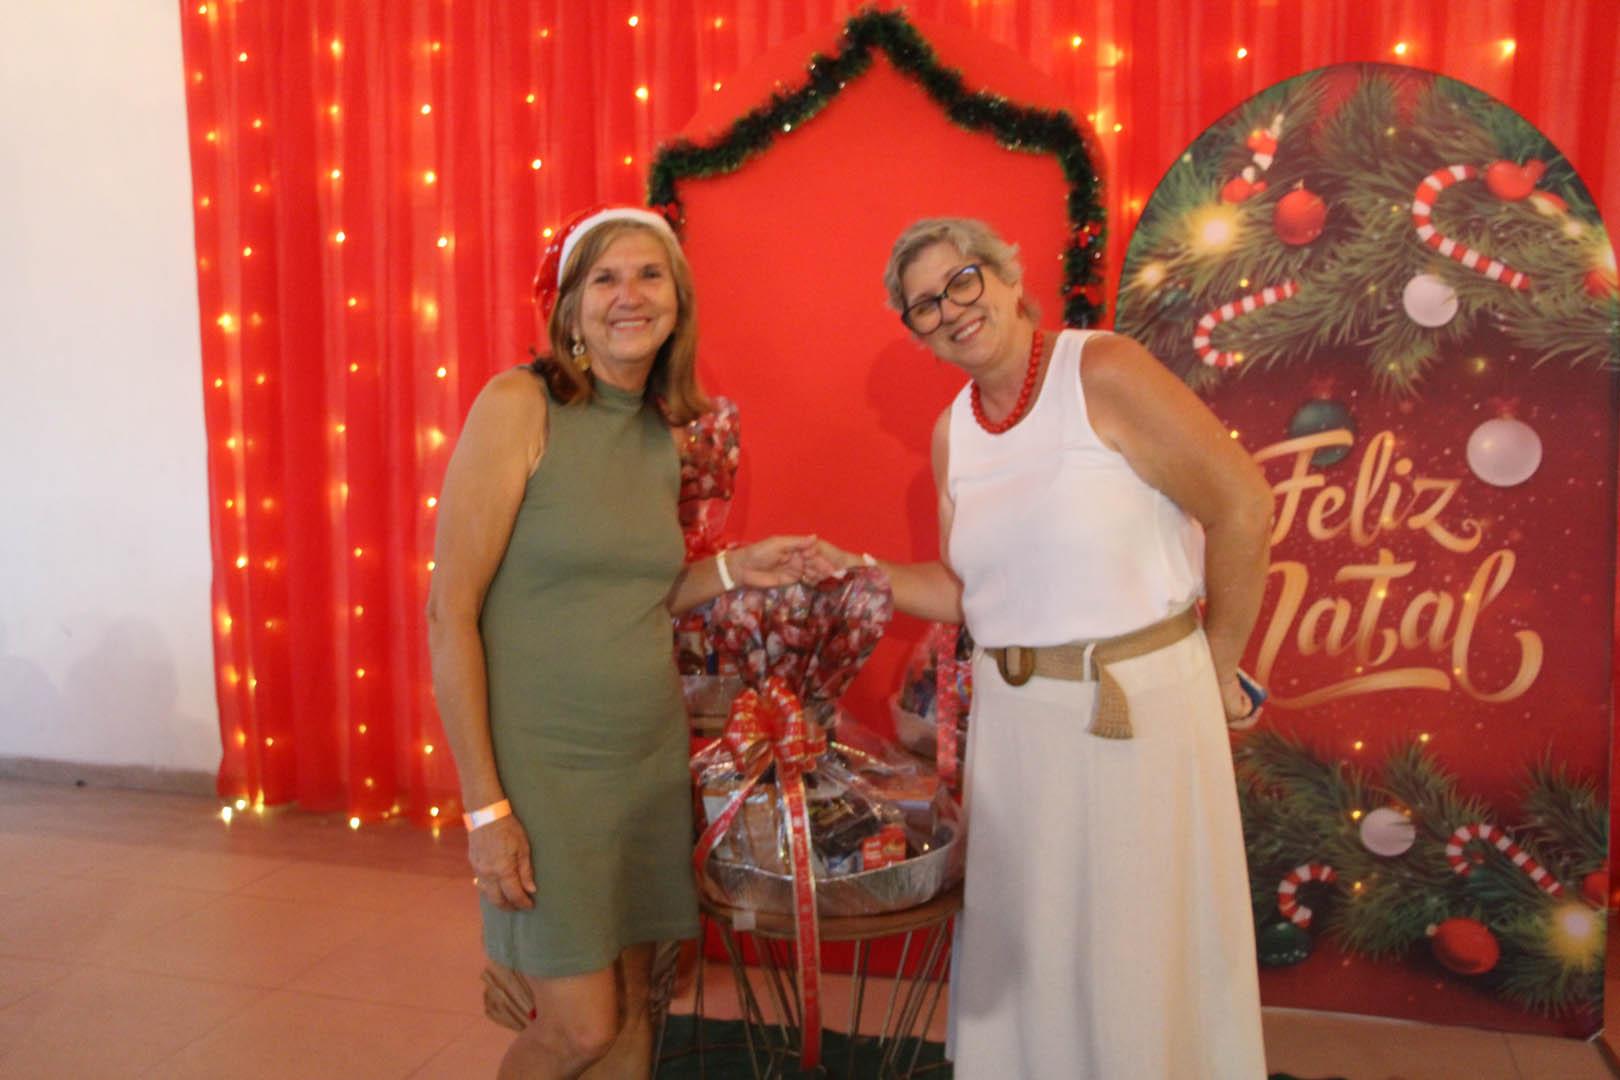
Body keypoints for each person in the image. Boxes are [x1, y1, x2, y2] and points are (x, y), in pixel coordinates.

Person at [814, 217, 1272, 1078]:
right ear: (917, 333)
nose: (951, 309)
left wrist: (1218, 668)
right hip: (1018, 731)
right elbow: (972, 594)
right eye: (924, 305)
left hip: (1133, 714)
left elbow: (1242, 504)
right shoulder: (954, 432)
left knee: (1136, 947)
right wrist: (854, 569)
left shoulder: (1101, 370)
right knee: (1036, 947)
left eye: (963, 280)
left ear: (1009, 277)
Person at [426, 206, 813, 1079]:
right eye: (604, 277)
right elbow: (450, 612)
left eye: (649, 275)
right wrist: (485, 810)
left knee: (638, 1009)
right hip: (546, 770)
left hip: (644, 762)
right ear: (570, 308)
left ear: (678, 302)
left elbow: (633, 593)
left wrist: (735, 569)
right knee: (581, 1028)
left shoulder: (657, 434)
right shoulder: (519, 405)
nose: (629, 295)